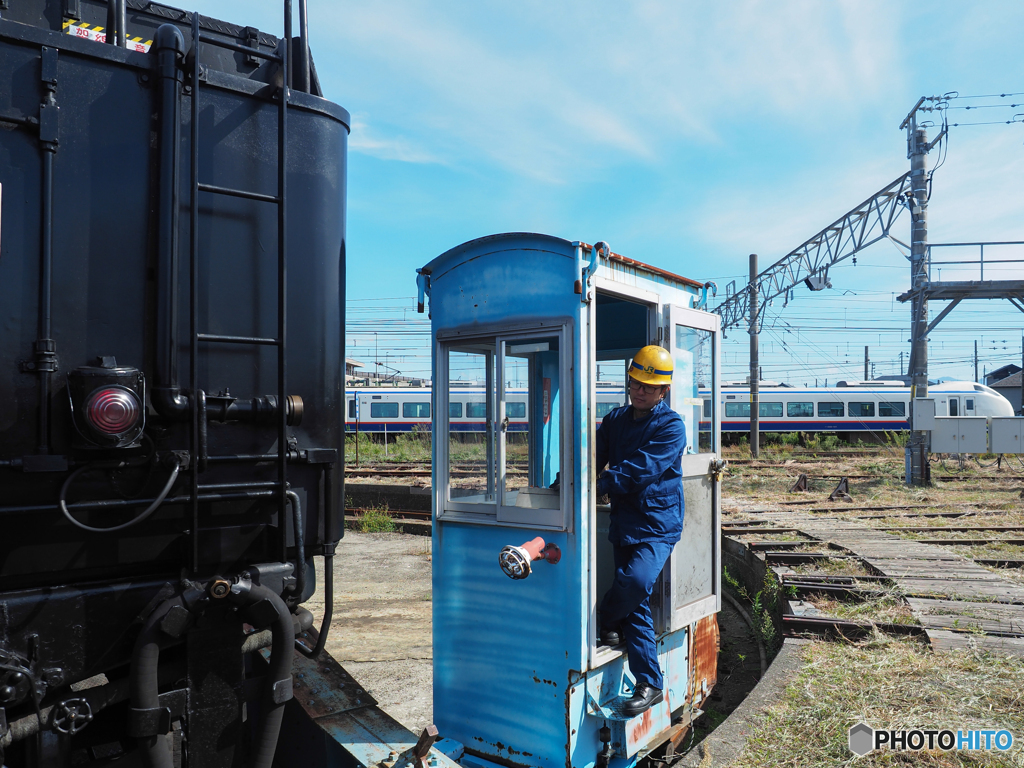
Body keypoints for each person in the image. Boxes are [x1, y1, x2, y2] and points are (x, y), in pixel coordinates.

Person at [595, 345, 686, 716]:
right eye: (635, 382)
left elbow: (640, 469)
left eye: (648, 386)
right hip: (625, 521)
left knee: (634, 584)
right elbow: (590, 458)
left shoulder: (671, 426)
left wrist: (600, 484)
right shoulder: (614, 420)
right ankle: (649, 682)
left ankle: (606, 616)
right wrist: (562, 485)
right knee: (637, 598)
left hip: (657, 525)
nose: (639, 390)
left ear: (663, 391)